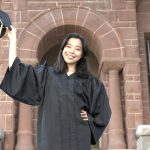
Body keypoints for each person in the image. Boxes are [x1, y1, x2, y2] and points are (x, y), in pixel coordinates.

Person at [0, 26, 111, 150]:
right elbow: (17, 72)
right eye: (68, 46)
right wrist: (13, 40)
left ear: (82, 54)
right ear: (62, 49)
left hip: (79, 139)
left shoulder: (91, 83)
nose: (72, 51)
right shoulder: (46, 75)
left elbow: (103, 111)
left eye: (77, 49)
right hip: (51, 140)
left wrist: (90, 119)